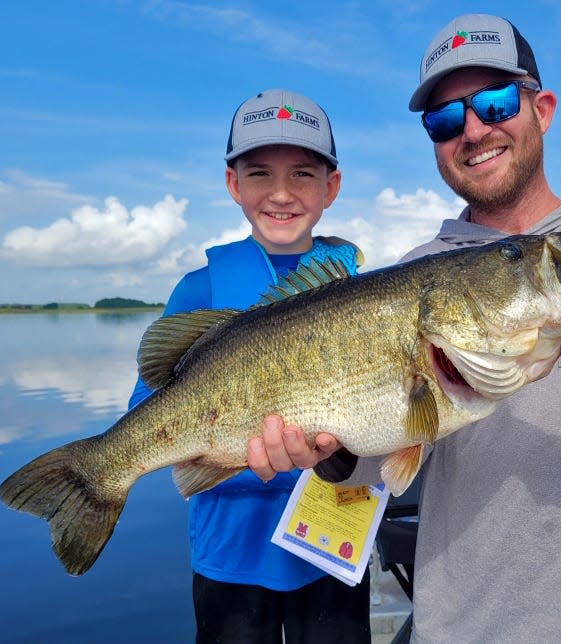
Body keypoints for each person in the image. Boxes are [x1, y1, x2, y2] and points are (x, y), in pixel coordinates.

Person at [246, 15, 561, 643]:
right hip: (459, 626)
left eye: (497, 101)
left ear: (543, 108)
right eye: (445, 118)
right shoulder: (414, 271)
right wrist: (333, 455)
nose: (473, 129)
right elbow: (389, 463)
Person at [128, 88, 371, 644]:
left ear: (332, 187)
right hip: (229, 553)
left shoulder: (360, 293)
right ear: (233, 184)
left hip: (333, 545)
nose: (281, 193)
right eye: (260, 173)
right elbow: (146, 408)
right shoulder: (201, 289)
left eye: (304, 174)